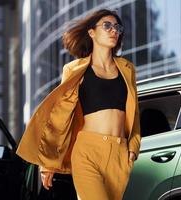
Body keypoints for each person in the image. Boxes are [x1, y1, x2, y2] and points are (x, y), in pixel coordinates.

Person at [16, 9, 141, 200]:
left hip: (119, 153)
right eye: (107, 25)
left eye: (117, 27)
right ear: (91, 32)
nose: (114, 30)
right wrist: (49, 164)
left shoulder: (127, 69)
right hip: (87, 151)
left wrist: (133, 147)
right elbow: (60, 117)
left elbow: (134, 112)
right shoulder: (74, 70)